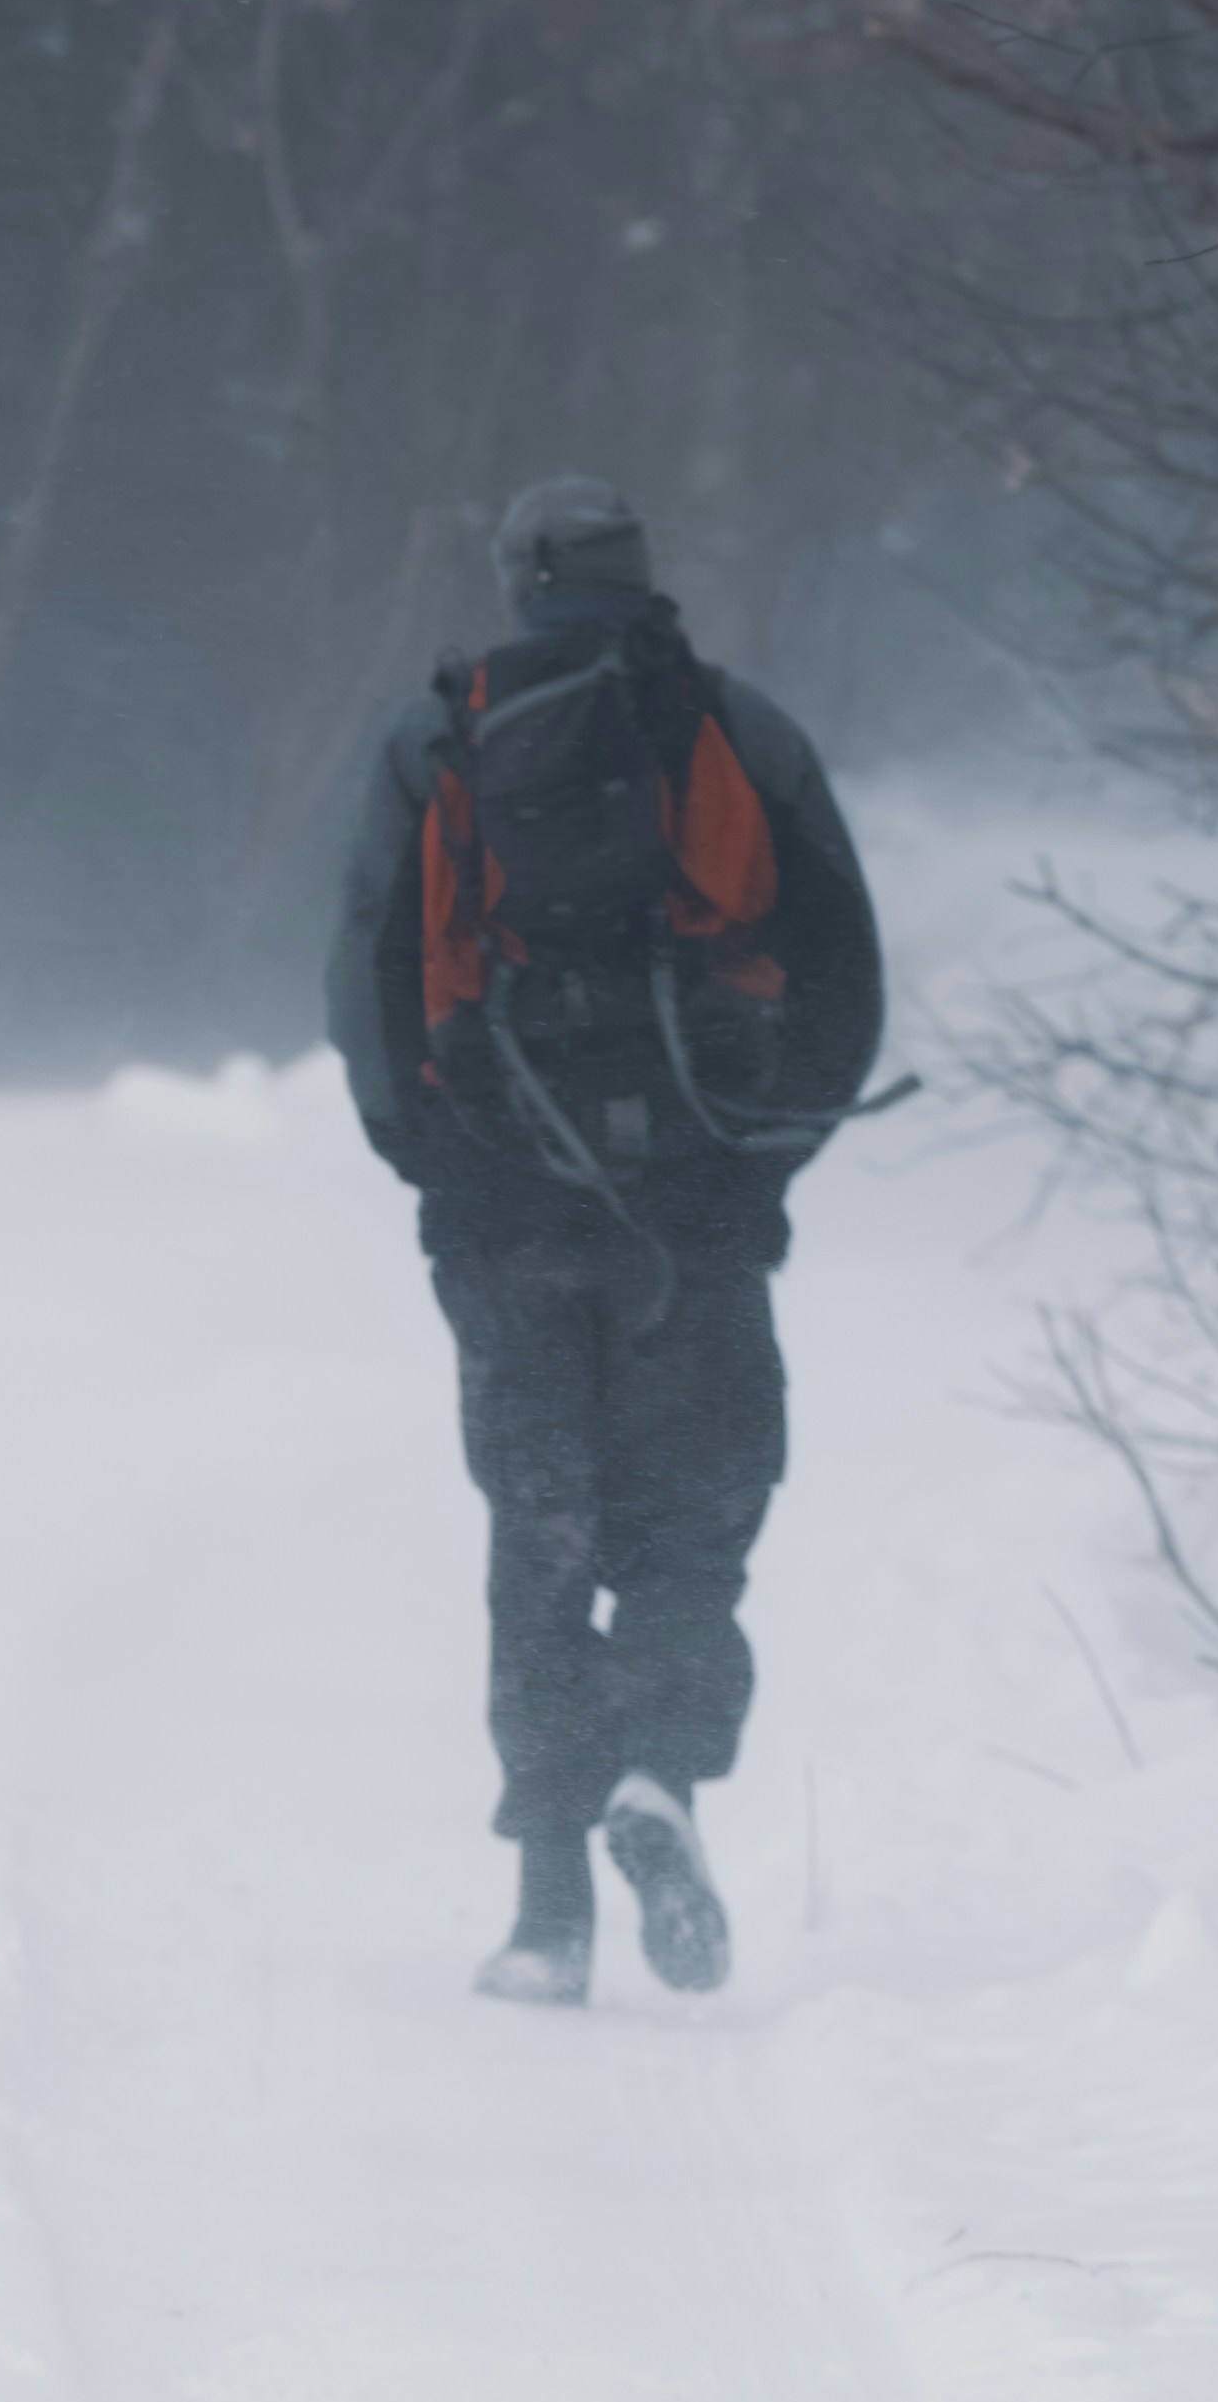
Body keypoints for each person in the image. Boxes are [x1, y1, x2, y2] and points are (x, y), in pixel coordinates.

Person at [328, 475, 888, 2006]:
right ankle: (662, 1780)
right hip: (695, 1207)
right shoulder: (737, 731)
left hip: (507, 1209)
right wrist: (762, 1158)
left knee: (541, 1537)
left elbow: (367, 983)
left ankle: (549, 1912)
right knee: (689, 1529)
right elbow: (845, 972)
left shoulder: (431, 740)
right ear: (644, 577)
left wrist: (440, 1165)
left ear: (517, 579)